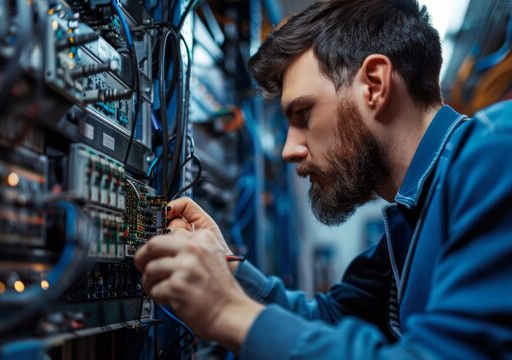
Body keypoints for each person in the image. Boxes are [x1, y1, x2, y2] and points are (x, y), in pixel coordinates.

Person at [135, 0, 512, 358]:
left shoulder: (498, 154)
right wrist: (227, 265)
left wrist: (226, 313)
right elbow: (330, 320)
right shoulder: (411, 224)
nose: (288, 150)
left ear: (375, 85)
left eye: (302, 113)